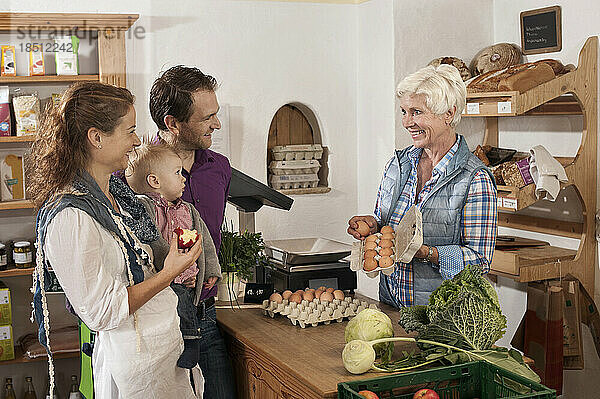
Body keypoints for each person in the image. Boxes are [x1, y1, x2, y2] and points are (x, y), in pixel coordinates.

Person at [28, 82, 203, 398]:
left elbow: (140, 264)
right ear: (96, 138)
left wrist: (172, 257)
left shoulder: (120, 196)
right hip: (137, 367)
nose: (137, 141)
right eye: (130, 131)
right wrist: (169, 273)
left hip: (163, 351)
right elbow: (103, 313)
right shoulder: (71, 217)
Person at [347, 64, 497, 308]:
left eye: (416, 112)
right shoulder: (398, 165)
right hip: (391, 303)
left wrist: (426, 252)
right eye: (404, 111)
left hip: (442, 316)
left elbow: (479, 260)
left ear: (449, 113)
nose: (407, 122)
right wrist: (373, 225)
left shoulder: (475, 179)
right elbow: (386, 225)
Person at [150, 66, 236, 398]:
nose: (217, 124)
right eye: (206, 118)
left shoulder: (220, 168)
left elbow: (210, 237)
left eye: (216, 114)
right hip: (160, 322)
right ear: (172, 123)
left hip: (207, 314)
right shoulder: (132, 174)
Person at [126, 142, 222, 369]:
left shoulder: (188, 210)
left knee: (186, 304)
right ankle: (190, 342)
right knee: (176, 307)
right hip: (163, 280)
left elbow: (204, 240)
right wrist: (168, 269)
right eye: (177, 173)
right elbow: (150, 242)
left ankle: (189, 340)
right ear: (155, 181)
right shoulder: (144, 209)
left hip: (187, 278)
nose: (183, 178)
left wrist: (210, 269)